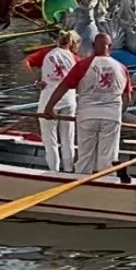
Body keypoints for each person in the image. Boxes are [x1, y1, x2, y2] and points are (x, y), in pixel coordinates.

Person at [50, 33, 134, 174]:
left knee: (85, 156)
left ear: (94, 46)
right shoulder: (121, 68)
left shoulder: (83, 65)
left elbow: (63, 87)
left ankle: (81, 183)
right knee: (108, 157)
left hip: (87, 116)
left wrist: (49, 108)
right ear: (110, 47)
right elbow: (127, 98)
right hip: (111, 117)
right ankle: (107, 184)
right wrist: (120, 113)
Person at [37, 30, 81, 172]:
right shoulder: (75, 59)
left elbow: (46, 80)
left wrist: (39, 84)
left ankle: (53, 172)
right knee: (68, 138)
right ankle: (69, 170)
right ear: (72, 43)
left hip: (49, 100)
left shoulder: (48, 55)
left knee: (51, 141)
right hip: (69, 100)